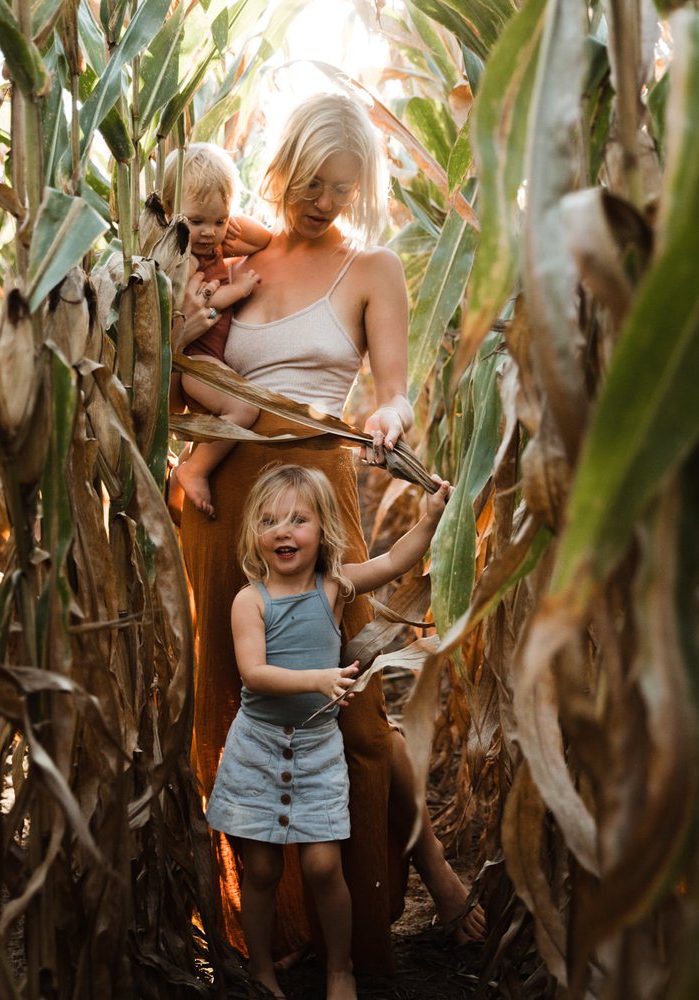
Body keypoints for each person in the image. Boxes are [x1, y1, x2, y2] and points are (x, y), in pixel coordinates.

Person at [179, 92, 486, 979]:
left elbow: (392, 388)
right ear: (284, 164)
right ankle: (265, 936)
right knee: (231, 709)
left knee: (352, 715)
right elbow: (173, 226)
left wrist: (390, 418)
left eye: (341, 188)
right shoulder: (243, 252)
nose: (322, 200)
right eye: (311, 181)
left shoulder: (371, 266)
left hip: (319, 497)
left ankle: (422, 868)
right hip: (224, 505)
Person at [209, 464, 452, 999]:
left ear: (322, 530)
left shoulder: (335, 585)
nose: (284, 530)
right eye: (270, 520)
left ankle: (339, 968)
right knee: (263, 869)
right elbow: (254, 673)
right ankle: (262, 969)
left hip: (317, 750)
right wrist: (319, 678)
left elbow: (392, 560)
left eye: (299, 519)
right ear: (255, 532)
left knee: (323, 864)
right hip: (259, 749)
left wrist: (432, 519)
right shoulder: (250, 602)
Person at [160, 142, 267, 518]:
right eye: (197, 221)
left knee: (219, 420)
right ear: (169, 211)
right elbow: (203, 303)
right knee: (244, 408)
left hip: (206, 360)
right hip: (194, 361)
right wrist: (237, 289)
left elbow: (263, 238)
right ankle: (193, 468)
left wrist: (224, 224)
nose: (209, 232)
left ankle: (190, 468)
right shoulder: (181, 259)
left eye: (219, 221)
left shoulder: (210, 247)